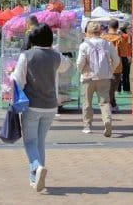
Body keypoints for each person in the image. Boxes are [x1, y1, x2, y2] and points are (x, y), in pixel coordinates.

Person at [13, 24, 72, 192]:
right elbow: (67, 66)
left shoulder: (27, 55)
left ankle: (36, 167)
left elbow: (18, 80)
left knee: (30, 141)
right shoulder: (55, 56)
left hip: (31, 105)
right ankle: (36, 177)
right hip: (51, 105)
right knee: (40, 141)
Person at [77, 21, 120, 135]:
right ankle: (107, 121)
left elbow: (80, 62)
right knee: (105, 102)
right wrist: (110, 70)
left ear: (88, 32)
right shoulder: (107, 43)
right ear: (100, 31)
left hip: (88, 77)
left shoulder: (84, 45)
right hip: (104, 77)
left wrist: (81, 70)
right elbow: (116, 60)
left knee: (87, 102)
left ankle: (87, 126)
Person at [101, 21, 124, 111]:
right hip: (117, 66)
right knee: (113, 86)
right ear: (117, 26)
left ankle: (112, 104)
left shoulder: (103, 38)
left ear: (108, 26)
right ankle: (111, 104)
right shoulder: (120, 39)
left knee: (107, 86)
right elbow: (124, 53)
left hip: (104, 64)